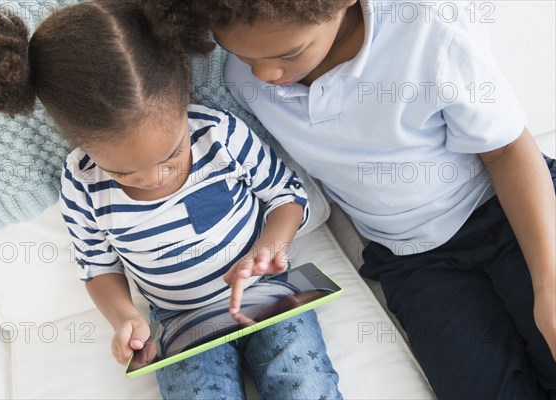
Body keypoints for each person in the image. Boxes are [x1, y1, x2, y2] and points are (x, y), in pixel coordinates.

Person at [166, 0, 556, 398]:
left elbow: (507, 150)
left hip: (509, 213)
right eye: (242, 54)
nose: (263, 73)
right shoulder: (233, 77)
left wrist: (548, 287)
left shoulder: (429, 29)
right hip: (415, 260)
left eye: (289, 53)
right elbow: (284, 181)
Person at [0, 1, 343, 399]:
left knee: (307, 386)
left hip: (268, 291)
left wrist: (270, 248)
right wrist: (123, 317)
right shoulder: (82, 182)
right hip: (179, 318)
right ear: (80, 143)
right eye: (124, 172)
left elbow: (287, 195)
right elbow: (96, 266)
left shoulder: (218, 135)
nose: (156, 179)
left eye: (172, 155)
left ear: (183, 97)